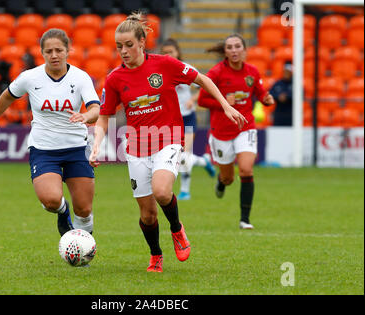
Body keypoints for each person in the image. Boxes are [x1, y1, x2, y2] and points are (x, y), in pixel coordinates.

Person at [89, 14, 246, 273]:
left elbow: (203, 79)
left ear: (142, 42)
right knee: (147, 215)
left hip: (169, 140)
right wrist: (96, 145)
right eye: (119, 46)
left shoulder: (164, 64)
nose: (123, 51)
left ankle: (176, 229)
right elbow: (104, 117)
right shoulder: (115, 78)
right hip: (137, 148)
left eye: (128, 45)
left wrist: (225, 105)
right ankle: (155, 255)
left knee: (162, 192)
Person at [0, 29, 100, 238]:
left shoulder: (80, 77)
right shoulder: (30, 77)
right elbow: (7, 97)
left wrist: (86, 116)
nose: (54, 55)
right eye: (49, 51)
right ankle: (63, 213)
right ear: (42, 53)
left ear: (68, 51)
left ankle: (84, 251)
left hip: (77, 147)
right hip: (44, 149)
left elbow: (95, 109)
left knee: (83, 210)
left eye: (58, 50)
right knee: (51, 200)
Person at [199, 33, 275, 230]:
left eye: (237, 46)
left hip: (245, 127)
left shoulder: (252, 72)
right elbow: (202, 100)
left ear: (244, 50)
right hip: (221, 131)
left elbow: (260, 92)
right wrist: (223, 102)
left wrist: (267, 98)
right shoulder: (216, 73)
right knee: (228, 178)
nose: (234, 50)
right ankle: (221, 182)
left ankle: (245, 219)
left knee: (246, 170)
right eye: (230, 47)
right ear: (225, 52)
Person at [160, 38, 216, 201]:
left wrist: (193, 100)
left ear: (178, 52)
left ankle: (185, 190)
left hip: (187, 118)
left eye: (171, 52)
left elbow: (204, 86)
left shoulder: (186, 69)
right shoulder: (159, 72)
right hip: (170, 120)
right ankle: (204, 161)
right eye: (165, 52)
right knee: (179, 155)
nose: (168, 55)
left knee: (183, 155)